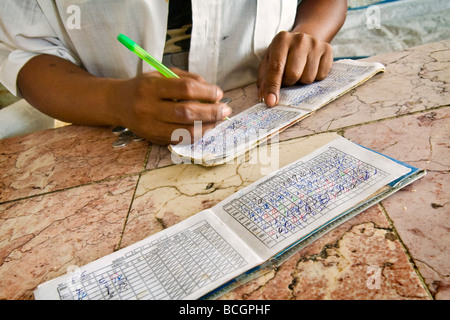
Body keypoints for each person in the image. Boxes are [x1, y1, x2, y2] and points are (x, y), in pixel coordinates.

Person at [0, 0, 347, 145]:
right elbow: (27, 52)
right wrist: (113, 101)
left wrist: (310, 32)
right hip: (113, 131)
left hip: (270, 108)